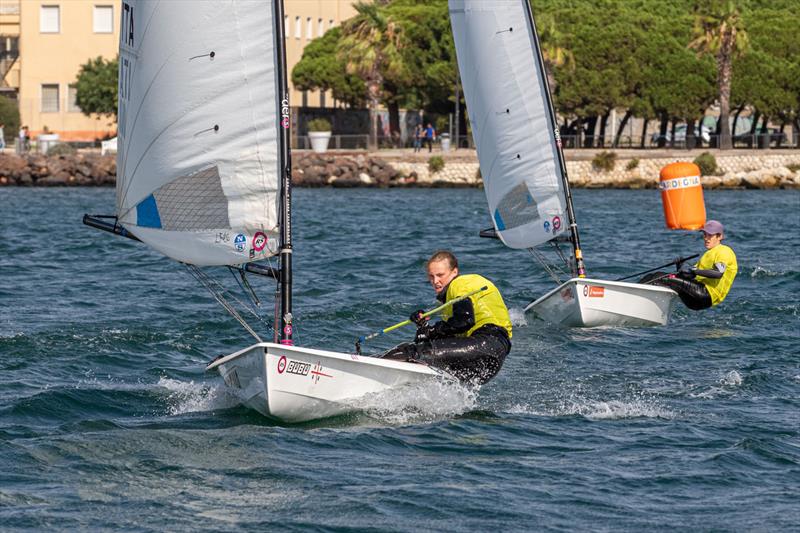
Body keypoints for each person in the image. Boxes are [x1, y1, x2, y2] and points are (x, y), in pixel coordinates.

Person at [381, 250, 512, 384]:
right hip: (492, 359)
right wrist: (424, 328)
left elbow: (464, 320)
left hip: (486, 343)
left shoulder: (460, 283)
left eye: (440, 275)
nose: (435, 281)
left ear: (454, 272)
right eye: (431, 276)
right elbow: (453, 336)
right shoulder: (451, 300)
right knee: (432, 368)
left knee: (410, 351)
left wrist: (431, 331)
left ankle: (375, 368)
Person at [639, 220, 738, 310]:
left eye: (710, 235)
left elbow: (718, 273)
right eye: (704, 234)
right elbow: (689, 276)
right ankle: (644, 304)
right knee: (655, 276)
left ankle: (636, 298)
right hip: (697, 295)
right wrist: (680, 266)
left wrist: (693, 271)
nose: (706, 238)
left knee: (661, 277)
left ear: (720, 236)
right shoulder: (707, 254)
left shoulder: (724, 251)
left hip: (706, 294)